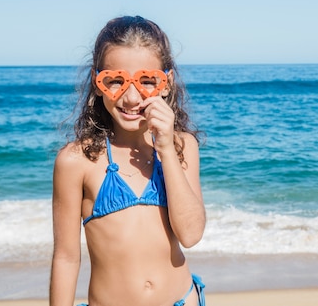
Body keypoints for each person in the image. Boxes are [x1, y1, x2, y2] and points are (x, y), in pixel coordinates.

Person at [50, 16, 206, 306]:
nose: (131, 97)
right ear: (98, 84)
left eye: (147, 81)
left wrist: (167, 151)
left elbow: (191, 234)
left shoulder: (182, 146)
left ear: (166, 84)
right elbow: (66, 258)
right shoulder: (77, 161)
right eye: (115, 81)